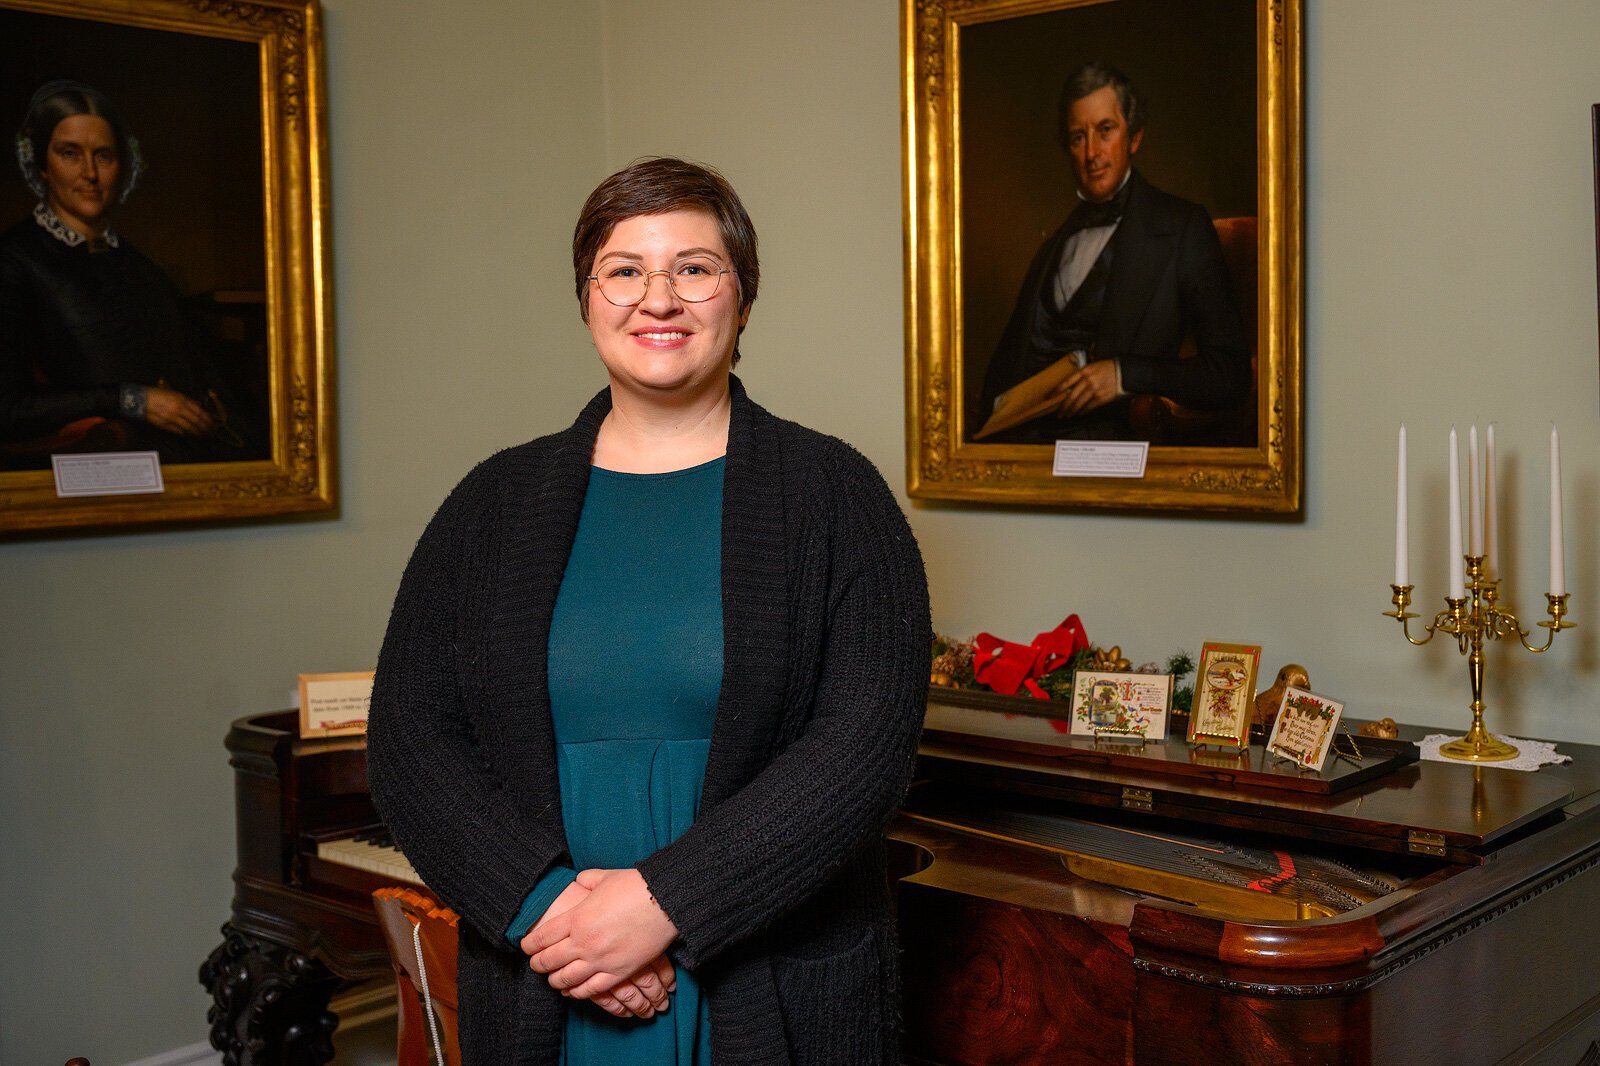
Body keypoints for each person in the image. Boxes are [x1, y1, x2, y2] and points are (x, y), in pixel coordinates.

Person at [367, 157, 930, 1064]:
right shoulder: (490, 505)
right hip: (548, 977)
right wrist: (556, 919)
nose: (657, 298)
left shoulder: (836, 494)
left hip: (769, 981)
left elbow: (864, 747)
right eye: (624, 270)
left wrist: (663, 906)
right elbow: (410, 740)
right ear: (586, 298)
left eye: (695, 268)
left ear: (741, 299)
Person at [974, 61, 1251, 444]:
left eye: (1105, 131)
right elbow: (1002, 380)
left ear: (1133, 137)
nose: (1091, 153)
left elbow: (1230, 374)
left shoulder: (1182, 227)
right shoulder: (1053, 246)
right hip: (1027, 457)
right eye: (1077, 137)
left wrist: (1123, 375)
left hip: (1113, 456)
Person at [0, 80, 257, 468]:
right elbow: (8, 409)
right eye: (70, 154)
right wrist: (132, 400)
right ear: (41, 165)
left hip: (180, 458)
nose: (89, 173)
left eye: (104, 156)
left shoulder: (140, 267)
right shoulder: (14, 259)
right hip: (92, 463)